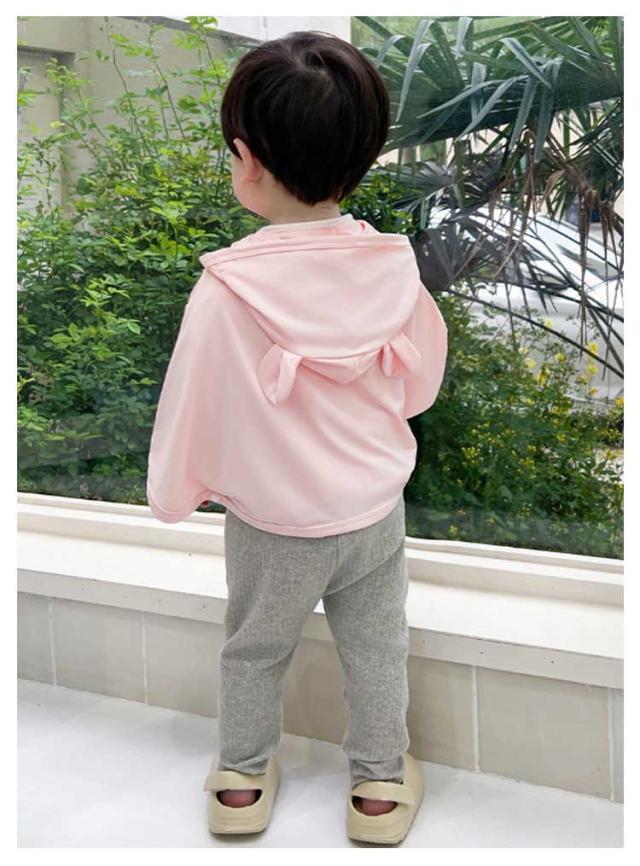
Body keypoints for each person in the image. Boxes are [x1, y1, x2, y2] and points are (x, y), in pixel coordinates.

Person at [146, 30, 448, 844]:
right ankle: (379, 788)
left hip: (273, 524)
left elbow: (193, 403)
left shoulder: (228, 288)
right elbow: (418, 382)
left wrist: (176, 491)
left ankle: (240, 783)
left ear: (245, 160)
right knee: (378, 647)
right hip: (373, 511)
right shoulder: (391, 267)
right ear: (361, 156)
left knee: (254, 650)